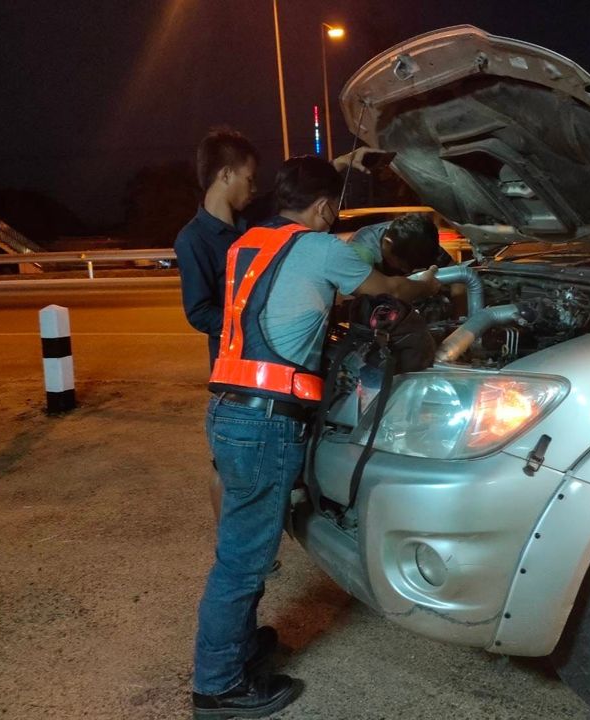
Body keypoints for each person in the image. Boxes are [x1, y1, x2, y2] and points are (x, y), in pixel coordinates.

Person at [192, 155, 441, 718]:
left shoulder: (247, 244)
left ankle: (236, 648)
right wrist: (427, 283)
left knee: (242, 543)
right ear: (326, 207)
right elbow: (387, 288)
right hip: (264, 420)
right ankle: (219, 687)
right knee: (243, 559)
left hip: (228, 407)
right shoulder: (322, 248)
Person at [173, 128, 375, 522]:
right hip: (237, 370)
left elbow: (300, 199)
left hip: (281, 372)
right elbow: (198, 312)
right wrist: (255, 320)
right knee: (228, 470)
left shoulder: (254, 221)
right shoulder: (193, 239)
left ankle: (264, 531)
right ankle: (232, 535)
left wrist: (340, 164)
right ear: (225, 174)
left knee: (277, 459)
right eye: (249, 179)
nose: (254, 189)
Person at [346, 212, 447, 276]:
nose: (408, 271)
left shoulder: (419, 237)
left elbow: (453, 277)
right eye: (402, 266)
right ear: (387, 243)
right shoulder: (361, 252)